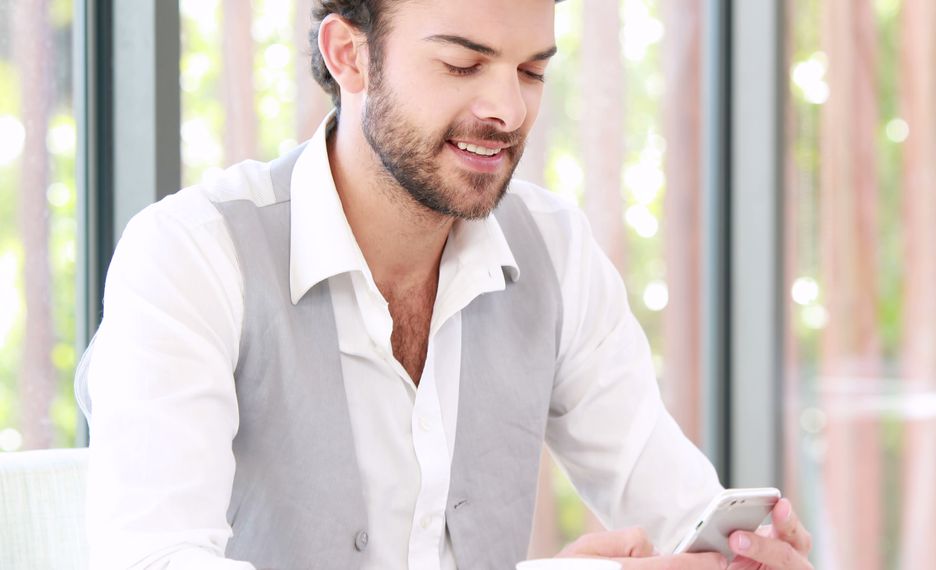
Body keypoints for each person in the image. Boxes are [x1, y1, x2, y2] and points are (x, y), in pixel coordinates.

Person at [78, 1, 813, 568]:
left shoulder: (554, 252)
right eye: (464, 65)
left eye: (531, 71)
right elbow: (153, 558)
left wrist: (737, 549)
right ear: (349, 56)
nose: (509, 110)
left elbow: (673, 499)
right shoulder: (192, 256)